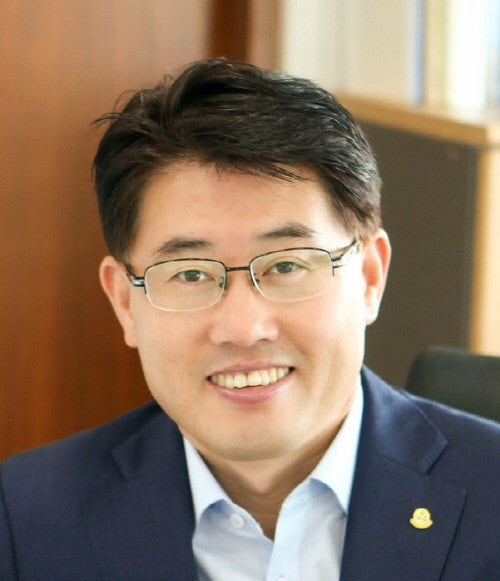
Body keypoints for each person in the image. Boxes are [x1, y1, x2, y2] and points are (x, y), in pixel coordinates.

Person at [1, 58, 499, 581]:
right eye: (190, 274)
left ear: (370, 276)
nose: (243, 328)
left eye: (286, 266)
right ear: (124, 302)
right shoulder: (25, 523)